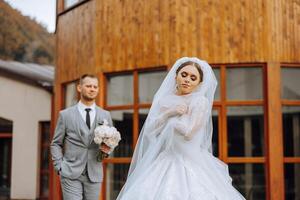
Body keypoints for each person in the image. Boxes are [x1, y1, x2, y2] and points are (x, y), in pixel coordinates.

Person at [116, 57, 245, 200]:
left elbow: (189, 134)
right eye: (184, 75)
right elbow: (151, 130)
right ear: (175, 75)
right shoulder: (164, 100)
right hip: (165, 159)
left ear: (199, 83)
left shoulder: (199, 102)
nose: (187, 80)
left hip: (190, 161)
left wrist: (173, 124)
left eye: (193, 77)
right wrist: (169, 113)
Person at [50, 74, 112, 200]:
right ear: (79, 88)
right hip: (70, 172)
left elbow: (110, 141)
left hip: (94, 173)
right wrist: (59, 166)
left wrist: (107, 150)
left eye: (95, 86)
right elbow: (56, 143)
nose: (92, 89)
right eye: (88, 86)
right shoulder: (65, 115)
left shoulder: (105, 115)